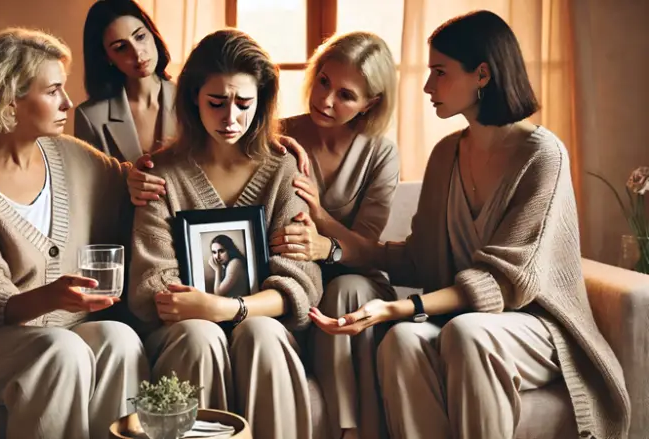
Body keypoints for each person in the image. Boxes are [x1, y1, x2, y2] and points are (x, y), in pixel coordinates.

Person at [310, 10, 630, 439]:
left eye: (439, 72)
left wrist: (398, 307)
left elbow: (504, 284)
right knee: (402, 342)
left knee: (467, 332)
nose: (427, 86)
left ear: (482, 74)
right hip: (467, 321)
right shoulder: (445, 154)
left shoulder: (542, 156)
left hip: (535, 327)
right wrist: (331, 238)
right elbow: (418, 259)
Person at [0, 28, 149, 439]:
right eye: (53, 90)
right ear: (10, 99)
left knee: (119, 337)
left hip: (56, 334)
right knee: (62, 350)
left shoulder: (70, 154)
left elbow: (140, 178)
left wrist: (266, 148)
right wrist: (50, 295)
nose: (68, 103)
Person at [128, 29, 323, 439]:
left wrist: (226, 309)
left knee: (261, 331)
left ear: (262, 101)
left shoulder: (283, 171)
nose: (230, 118)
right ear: (194, 98)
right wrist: (204, 314)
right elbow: (150, 285)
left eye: (244, 103)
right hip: (184, 332)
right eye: (216, 103)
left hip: (263, 325)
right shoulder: (159, 175)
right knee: (200, 335)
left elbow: (300, 284)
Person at [268, 31, 399, 439]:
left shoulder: (381, 152)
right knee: (297, 289)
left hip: (355, 278)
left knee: (345, 290)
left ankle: (351, 431)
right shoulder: (279, 134)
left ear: (371, 103)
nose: (325, 100)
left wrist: (321, 219)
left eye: (346, 95)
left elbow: (368, 248)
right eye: (323, 81)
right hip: (289, 273)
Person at [75, 0, 175, 162]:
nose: (137, 53)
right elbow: (86, 185)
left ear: (152, 34)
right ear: (107, 57)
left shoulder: (191, 101)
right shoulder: (91, 117)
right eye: (121, 47)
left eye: (140, 37)